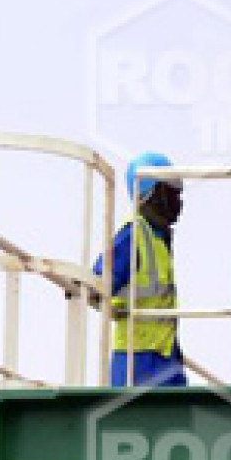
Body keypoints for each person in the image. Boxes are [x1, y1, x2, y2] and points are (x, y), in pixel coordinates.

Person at [94, 152, 186, 387]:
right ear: (154, 193)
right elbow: (97, 282)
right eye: (172, 192)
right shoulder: (134, 235)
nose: (178, 201)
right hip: (138, 361)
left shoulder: (159, 240)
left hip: (165, 357)